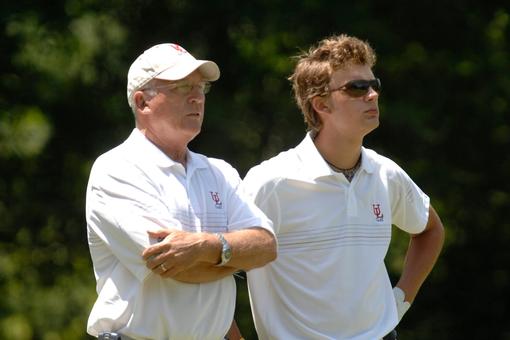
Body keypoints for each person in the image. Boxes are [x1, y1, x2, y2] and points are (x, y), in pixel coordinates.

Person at [242, 34, 445, 339]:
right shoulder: (271, 181)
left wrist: (400, 300)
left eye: (374, 85)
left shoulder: (385, 173)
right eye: (356, 88)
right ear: (321, 104)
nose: (372, 94)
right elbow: (218, 264)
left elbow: (430, 230)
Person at [85, 42, 276, 339]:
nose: (197, 98)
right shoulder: (116, 168)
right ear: (142, 102)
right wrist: (236, 254)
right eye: (181, 87)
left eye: (201, 88)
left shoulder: (219, 172)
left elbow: (266, 246)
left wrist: (203, 248)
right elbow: (177, 268)